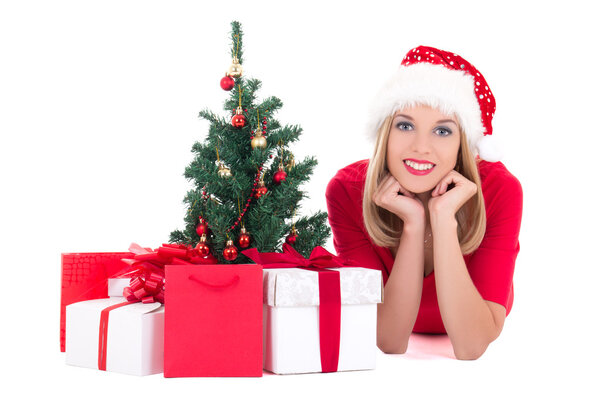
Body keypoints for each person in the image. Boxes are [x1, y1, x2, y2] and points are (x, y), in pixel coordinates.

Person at [325, 46, 523, 360]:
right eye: (405, 125)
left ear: (464, 145)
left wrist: (444, 219)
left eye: (442, 131)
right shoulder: (348, 191)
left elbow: (471, 345)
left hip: (475, 317)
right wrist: (413, 225)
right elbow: (388, 339)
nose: (421, 147)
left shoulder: (500, 190)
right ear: (385, 132)